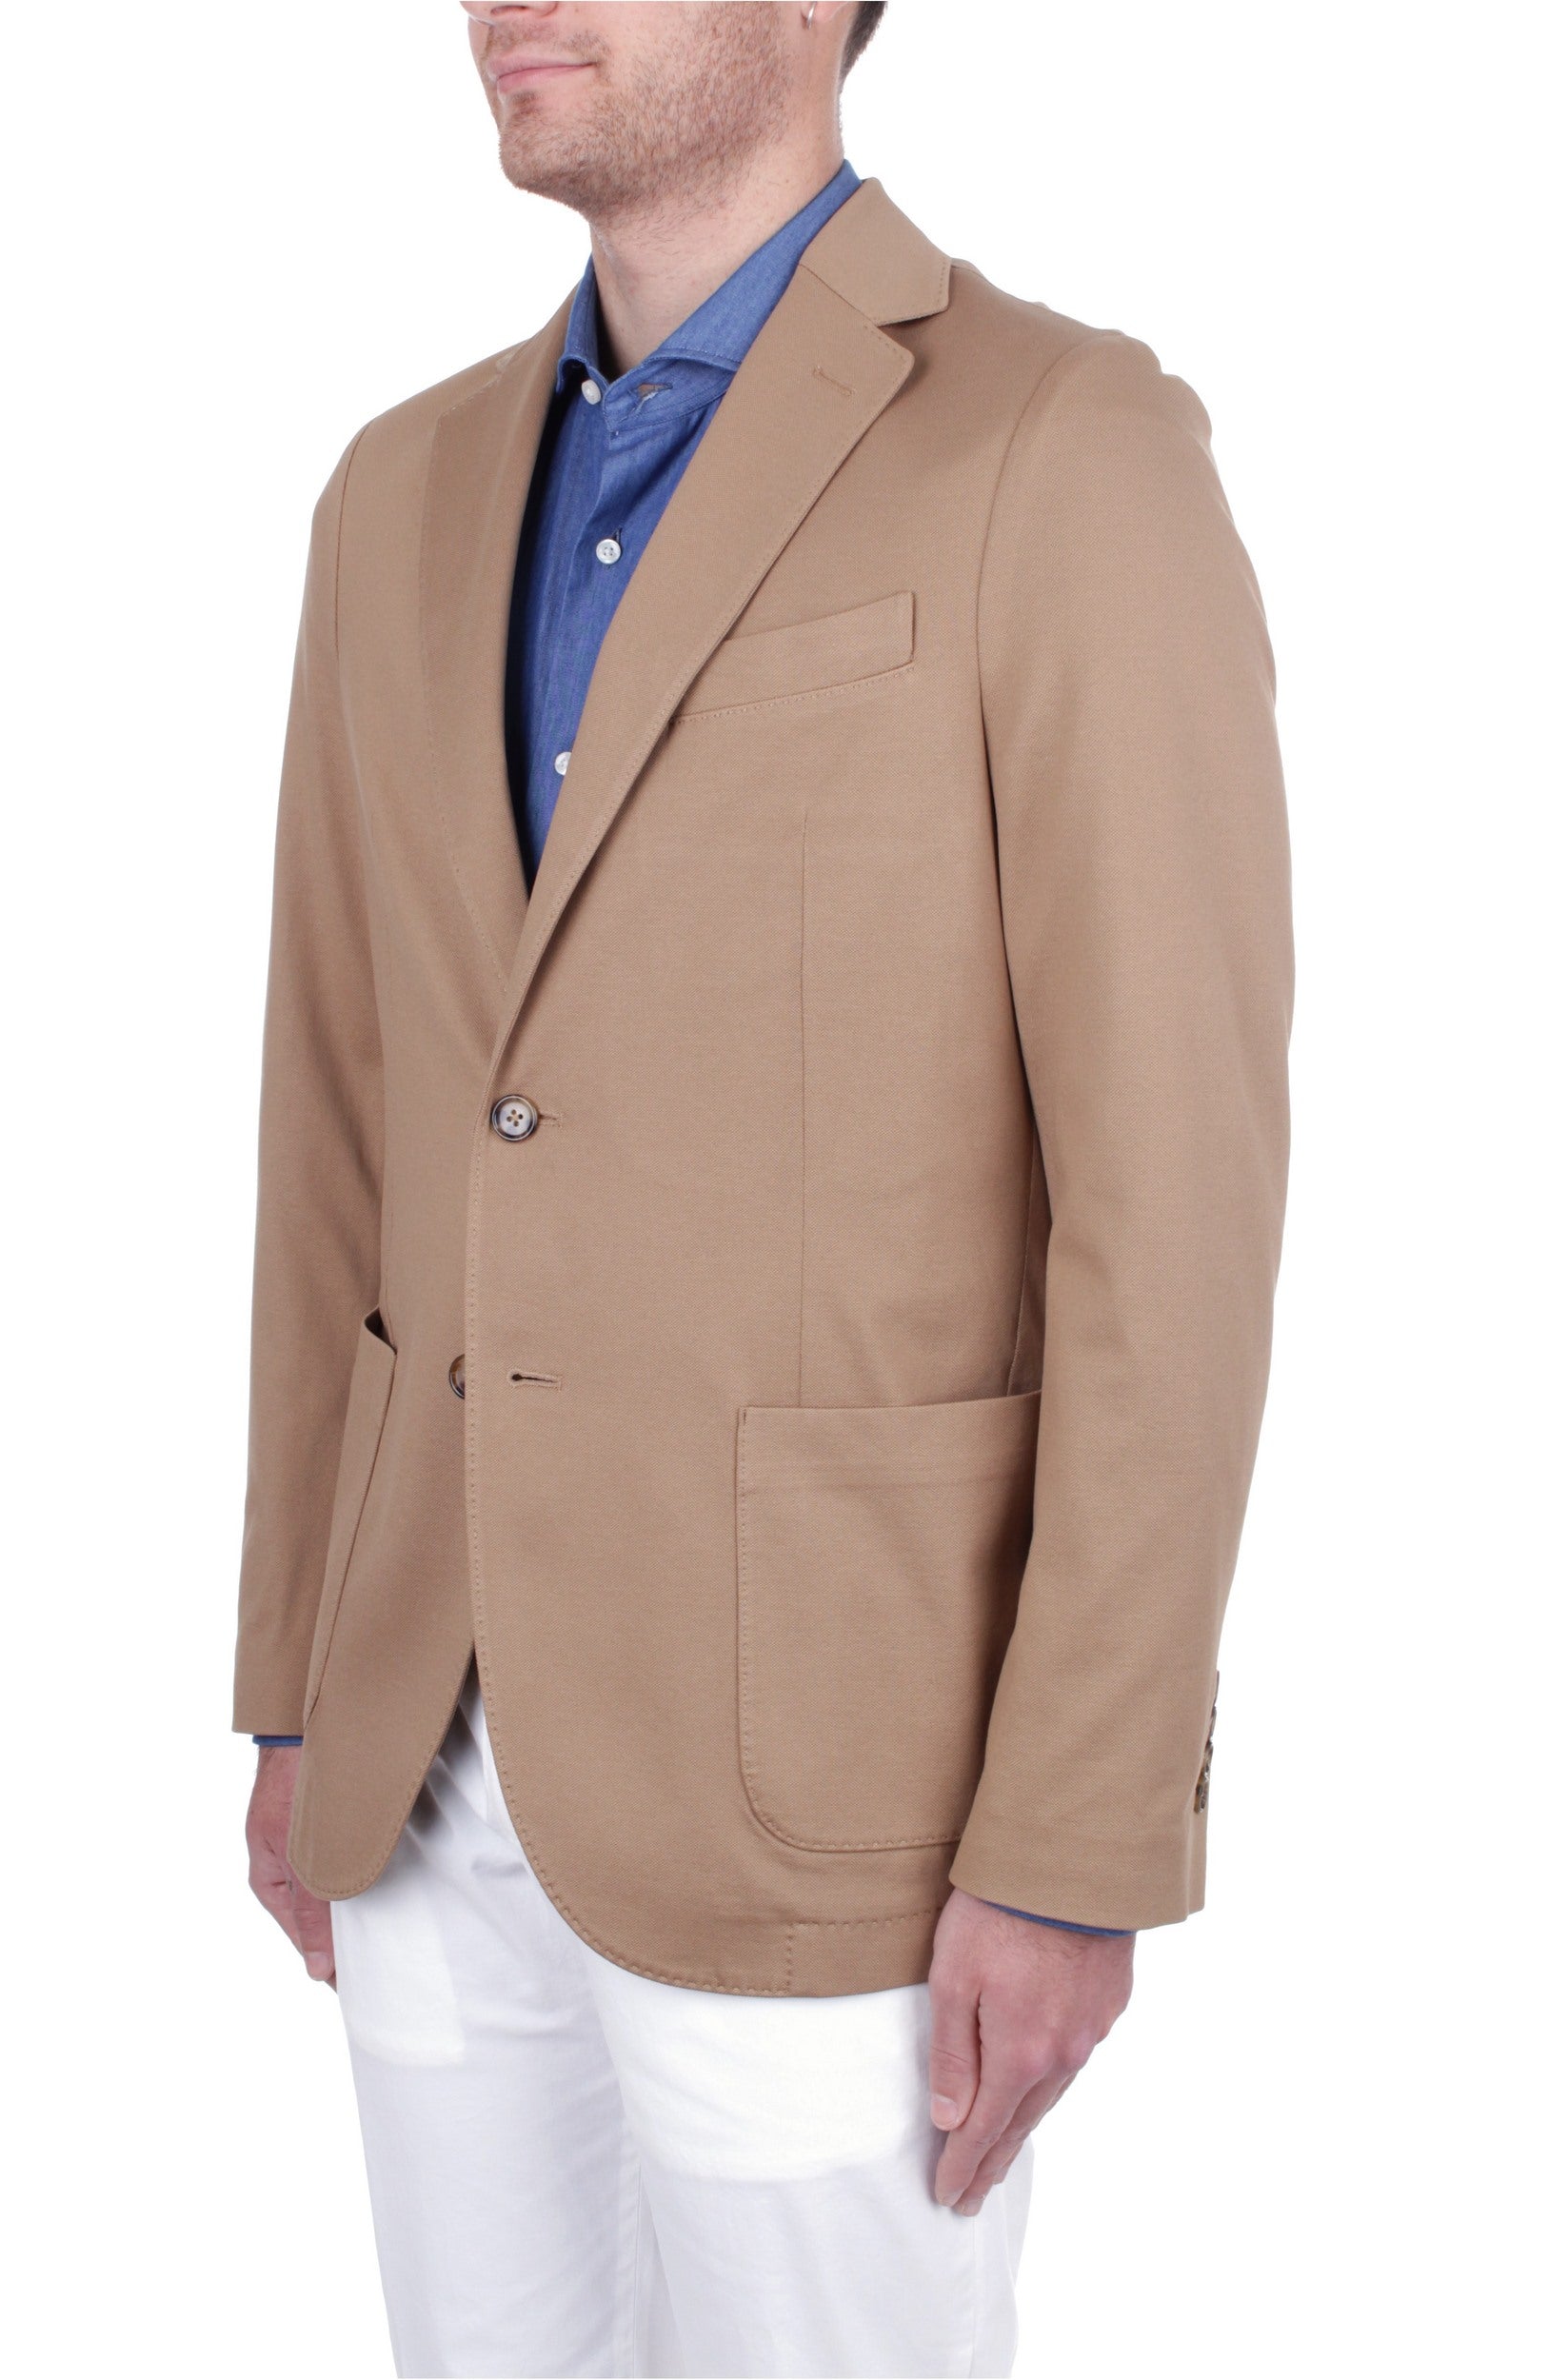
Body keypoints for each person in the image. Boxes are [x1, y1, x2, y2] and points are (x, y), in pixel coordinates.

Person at [236, 4, 1292, 2372]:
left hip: (842, 1774)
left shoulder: (1060, 446)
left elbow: (1170, 1200)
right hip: (423, 1740)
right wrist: (298, 1673)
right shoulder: (392, 491)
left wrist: (1079, 1825)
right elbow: (335, 1113)